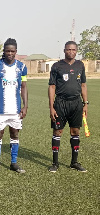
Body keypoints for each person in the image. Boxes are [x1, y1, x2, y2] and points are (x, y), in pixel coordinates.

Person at [0, 38, 28, 174]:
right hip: (0, 110)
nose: (10, 53)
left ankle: (14, 162)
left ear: (16, 52)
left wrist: (25, 106)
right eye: (7, 51)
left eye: (12, 51)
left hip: (15, 109)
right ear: (4, 52)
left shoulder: (21, 67)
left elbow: (24, 86)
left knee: (15, 134)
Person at [48, 41, 88, 173]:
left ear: (76, 51)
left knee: (75, 132)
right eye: (68, 49)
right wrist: (51, 107)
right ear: (64, 50)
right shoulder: (57, 66)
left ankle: (74, 162)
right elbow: (52, 86)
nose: (71, 52)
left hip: (76, 103)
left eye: (73, 49)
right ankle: (55, 163)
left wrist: (85, 103)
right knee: (57, 132)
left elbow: (83, 85)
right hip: (60, 103)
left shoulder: (80, 65)